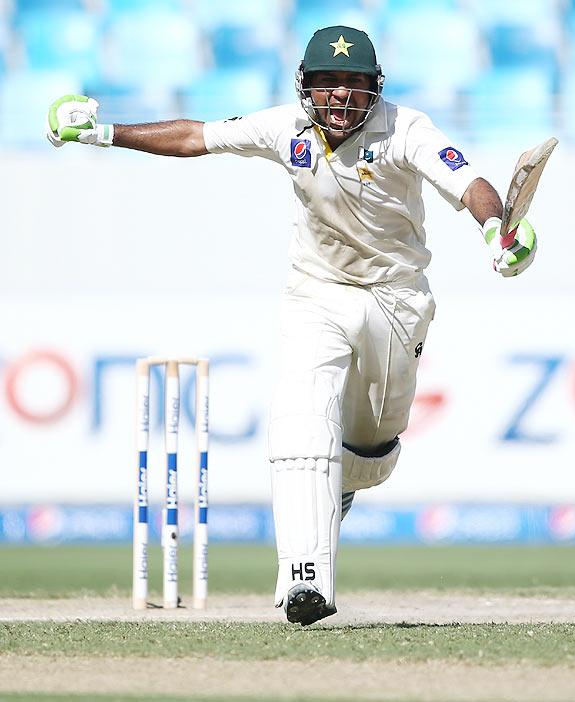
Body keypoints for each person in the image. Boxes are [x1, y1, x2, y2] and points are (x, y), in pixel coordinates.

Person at [47, 26, 536, 626]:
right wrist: (104, 132)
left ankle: (344, 485)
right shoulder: (286, 127)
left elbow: (468, 183)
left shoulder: (407, 128)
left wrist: (495, 229)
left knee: (374, 448)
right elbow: (197, 137)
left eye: (354, 85)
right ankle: (306, 578)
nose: (340, 98)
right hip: (317, 292)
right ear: (306, 86)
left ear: (375, 90)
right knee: (301, 415)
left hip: (395, 297)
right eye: (329, 84)